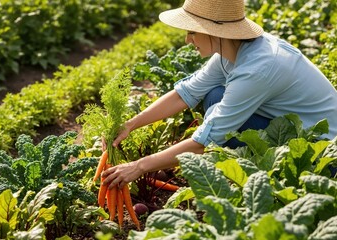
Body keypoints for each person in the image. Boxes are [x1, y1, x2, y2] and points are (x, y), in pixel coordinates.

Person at [102, 0, 337, 189]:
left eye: (192, 31)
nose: (187, 39)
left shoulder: (257, 69)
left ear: (214, 31)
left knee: (216, 118)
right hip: (295, 131)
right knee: (214, 95)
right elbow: (184, 94)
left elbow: (205, 141)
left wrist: (139, 166)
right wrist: (130, 125)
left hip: (322, 153)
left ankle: (257, 179)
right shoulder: (232, 51)